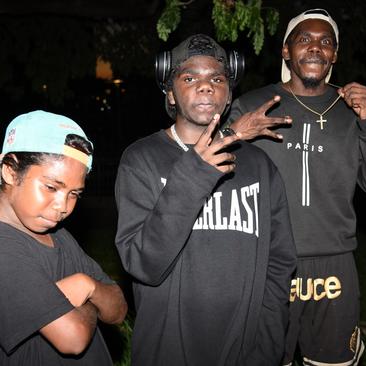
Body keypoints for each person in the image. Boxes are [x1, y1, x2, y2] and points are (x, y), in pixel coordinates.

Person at [225, 9, 366, 366]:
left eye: (326, 42)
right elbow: (215, 176)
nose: (315, 48)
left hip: (335, 266)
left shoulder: (352, 110)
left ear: (335, 55)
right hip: (270, 261)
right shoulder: (254, 105)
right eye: (304, 39)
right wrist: (233, 134)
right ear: (286, 51)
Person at [114, 34, 296, 365]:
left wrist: (268, 342)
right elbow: (144, 264)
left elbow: (280, 261)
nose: (206, 86)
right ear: (170, 93)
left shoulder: (259, 166)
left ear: (228, 96)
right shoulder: (140, 160)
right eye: (189, 77)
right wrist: (195, 172)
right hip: (167, 352)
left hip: (247, 352)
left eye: (216, 78)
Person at [0, 110, 127, 365]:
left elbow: (118, 309)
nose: (63, 206)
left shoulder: (58, 235)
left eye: (74, 193)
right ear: (11, 172)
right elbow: (73, 339)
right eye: (51, 187)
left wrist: (85, 285)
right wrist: (89, 294)